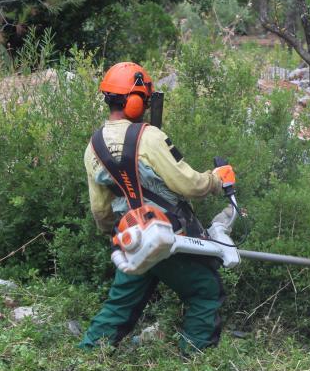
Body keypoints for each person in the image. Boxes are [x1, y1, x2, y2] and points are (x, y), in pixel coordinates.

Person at [79, 62, 236, 353]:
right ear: (135, 101)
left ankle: (88, 355)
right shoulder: (148, 137)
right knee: (204, 290)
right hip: (167, 232)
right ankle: (195, 359)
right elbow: (189, 185)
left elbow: (100, 210)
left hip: (132, 237)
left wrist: (117, 237)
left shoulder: (94, 147)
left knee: (120, 303)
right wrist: (216, 180)